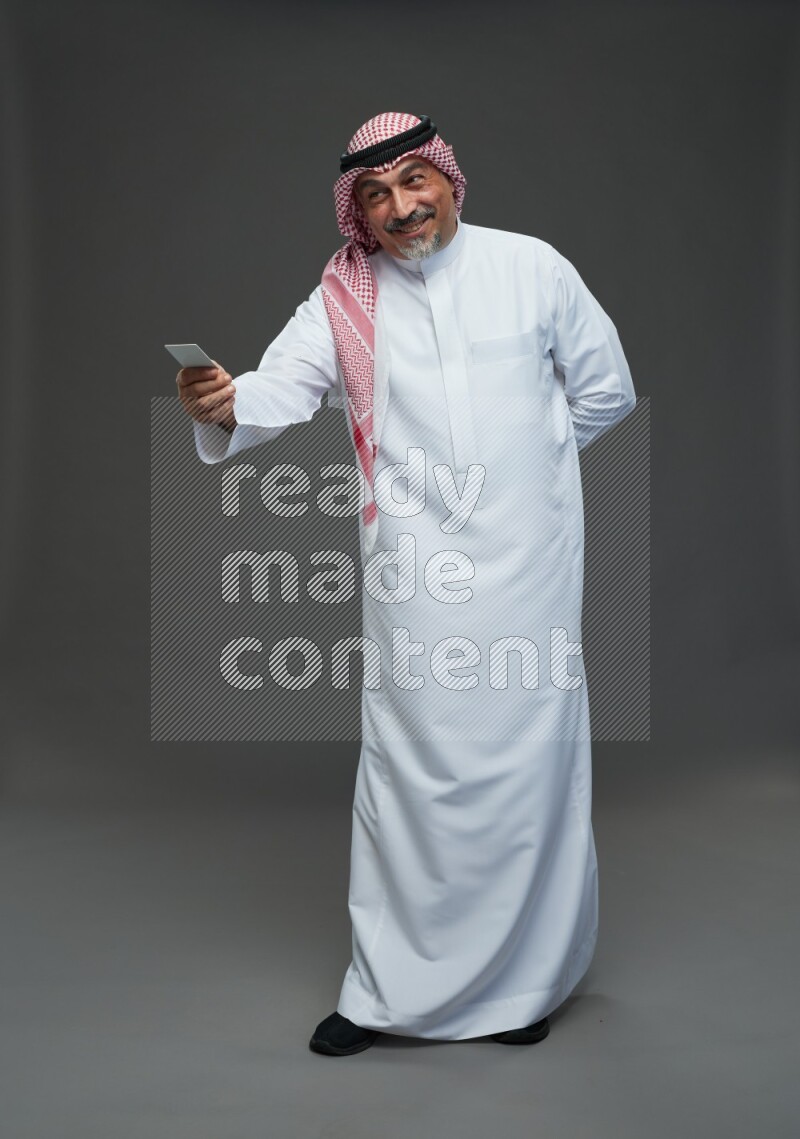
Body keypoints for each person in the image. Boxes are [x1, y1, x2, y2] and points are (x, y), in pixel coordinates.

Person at [176, 112, 636, 1056]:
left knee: (527, 772)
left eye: (414, 182)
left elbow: (606, 390)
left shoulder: (533, 267)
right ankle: (385, 991)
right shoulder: (347, 295)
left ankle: (522, 985)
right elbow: (280, 390)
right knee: (410, 773)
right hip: (414, 570)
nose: (401, 207)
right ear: (359, 210)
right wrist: (223, 400)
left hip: (532, 569)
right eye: (376, 194)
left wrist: (527, 481)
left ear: (451, 179)